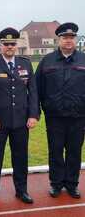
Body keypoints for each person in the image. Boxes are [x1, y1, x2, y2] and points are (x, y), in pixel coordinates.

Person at [0, 27, 39, 206]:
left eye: (12, 44)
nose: (10, 47)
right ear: (0, 46)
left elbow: (33, 91)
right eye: (6, 44)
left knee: (21, 157)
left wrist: (33, 115)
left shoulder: (25, 63)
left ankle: (22, 190)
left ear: (17, 45)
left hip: (21, 120)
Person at [35, 22, 85, 199]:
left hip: (79, 116)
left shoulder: (83, 60)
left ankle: (72, 184)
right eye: (65, 37)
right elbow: (36, 89)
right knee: (55, 151)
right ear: (59, 40)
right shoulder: (47, 61)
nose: (68, 40)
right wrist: (37, 111)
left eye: (71, 37)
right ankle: (56, 184)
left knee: (74, 151)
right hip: (54, 116)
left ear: (76, 39)